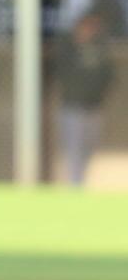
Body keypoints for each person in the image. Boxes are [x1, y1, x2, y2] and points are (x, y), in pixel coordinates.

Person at [52, 10, 115, 186]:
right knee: (74, 149)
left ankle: (80, 181)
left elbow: (108, 75)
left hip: (93, 107)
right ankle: (75, 185)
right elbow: (60, 74)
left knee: (89, 147)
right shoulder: (67, 49)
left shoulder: (99, 50)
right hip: (73, 107)